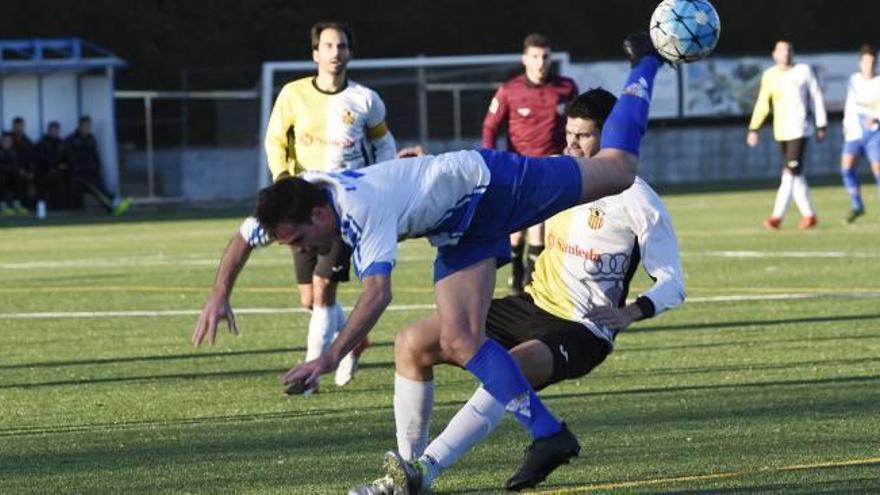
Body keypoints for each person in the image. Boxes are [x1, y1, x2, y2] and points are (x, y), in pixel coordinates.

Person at [191, 32, 658, 494]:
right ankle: (462, 460)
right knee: (458, 340)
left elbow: (378, 294)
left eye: (298, 239)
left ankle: (647, 61)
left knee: (617, 170)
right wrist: (219, 293)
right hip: (458, 226)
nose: (298, 249)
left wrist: (329, 357)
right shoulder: (304, 192)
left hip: (492, 184)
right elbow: (242, 239)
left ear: (317, 215)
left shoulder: (362, 211)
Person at [348, 89, 686, 495]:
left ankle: (426, 470)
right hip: (530, 303)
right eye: (569, 134)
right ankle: (406, 475)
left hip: (581, 330)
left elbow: (673, 284)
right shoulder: (561, 174)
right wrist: (428, 168)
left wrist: (630, 313)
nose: (571, 145)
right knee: (411, 343)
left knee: (507, 369)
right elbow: (488, 178)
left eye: (584, 136)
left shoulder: (637, 199)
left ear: (611, 137)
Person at [263, 21, 397, 390]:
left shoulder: (365, 100)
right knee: (309, 299)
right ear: (315, 54)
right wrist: (282, 181)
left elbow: (385, 145)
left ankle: (310, 377)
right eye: (328, 46)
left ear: (350, 53)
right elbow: (274, 141)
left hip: (341, 210)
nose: (335, 52)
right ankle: (355, 340)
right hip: (300, 208)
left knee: (323, 290)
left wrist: (378, 180)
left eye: (341, 46)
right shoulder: (292, 95)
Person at [482, 33, 578, 294]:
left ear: (550, 58)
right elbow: (490, 126)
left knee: (539, 228)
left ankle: (529, 283)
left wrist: (574, 152)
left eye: (545, 56)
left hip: (551, 168)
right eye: (535, 57)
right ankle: (516, 273)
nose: (540, 62)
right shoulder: (509, 90)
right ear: (525, 59)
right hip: (519, 169)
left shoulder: (566, 88)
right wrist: (490, 162)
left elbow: (577, 124)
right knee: (517, 232)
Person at [747, 40, 827, 230]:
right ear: (774, 54)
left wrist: (821, 123)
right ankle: (809, 215)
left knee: (789, 173)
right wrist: (754, 128)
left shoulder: (803, 71)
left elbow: (816, 96)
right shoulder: (769, 75)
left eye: (789, 50)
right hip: (781, 131)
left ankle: (777, 217)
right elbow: (762, 103)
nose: (786, 53)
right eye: (782, 50)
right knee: (796, 174)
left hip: (801, 129)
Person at [840, 44, 880, 223]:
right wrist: (846, 124)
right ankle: (857, 205)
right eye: (866, 62)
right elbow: (850, 105)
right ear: (860, 63)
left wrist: (876, 118)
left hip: (875, 133)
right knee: (846, 168)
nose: (869, 65)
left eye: (872, 62)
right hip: (855, 132)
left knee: (877, 170)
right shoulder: (853, 80)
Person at [66, 116, 131, 216]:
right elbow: (70, 157)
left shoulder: (91, 139)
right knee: (96, 189)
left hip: (91, 171)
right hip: (79, 173)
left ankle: (112, 205)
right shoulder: (72, 140)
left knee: (98, 189)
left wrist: (97, 166)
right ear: (80, 126)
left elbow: (95, 154)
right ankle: (114, 203)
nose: (87, 128)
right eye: (85, 126)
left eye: (89, 126)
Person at [33, 121, 71, 218]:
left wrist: (60, 167)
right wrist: (49, 168)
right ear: (48, 131)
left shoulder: (62, 144)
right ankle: (44, 209)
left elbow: (69, 161)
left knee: (61, 179)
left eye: (55, 130)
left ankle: (61, 209)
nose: (53, 132)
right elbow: (38, 161)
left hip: (59, 172)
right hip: (43, 172)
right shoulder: (41, 144)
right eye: (51, 130)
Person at [0, 131, 29, 215]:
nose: (7, 143)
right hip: (2, 175)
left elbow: (18, 165)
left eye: (9, 141)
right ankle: (3, 205)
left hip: (12, 175)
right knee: (3, 178)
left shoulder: (14, 152)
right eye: (5, 141)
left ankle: (17, 204)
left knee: (18, 177)